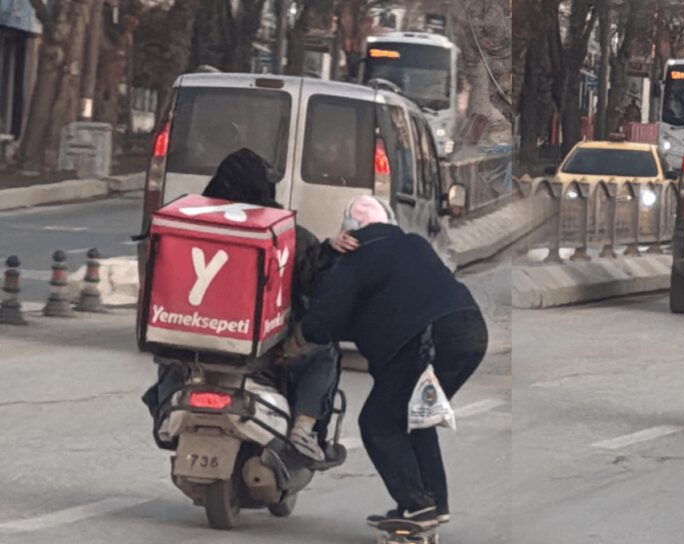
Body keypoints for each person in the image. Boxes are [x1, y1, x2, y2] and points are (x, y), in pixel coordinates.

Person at [300, 195, 488, 527]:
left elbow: (319, 325)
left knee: (379, 423)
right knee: (416, 414)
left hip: (423, 341)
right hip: (470, 332)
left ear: (350, 232)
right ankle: (434, 502)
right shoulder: (415, 243)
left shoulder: (356, 259)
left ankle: (416, 504)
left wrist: (330, 255)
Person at [143, 148, 340, 462]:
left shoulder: (191, 225)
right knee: (323, 353)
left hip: (193, 341)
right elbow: (314, 286)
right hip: (262, 351)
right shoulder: (287, 234)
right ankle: (305, 427)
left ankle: (166, 411)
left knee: (172, 358)